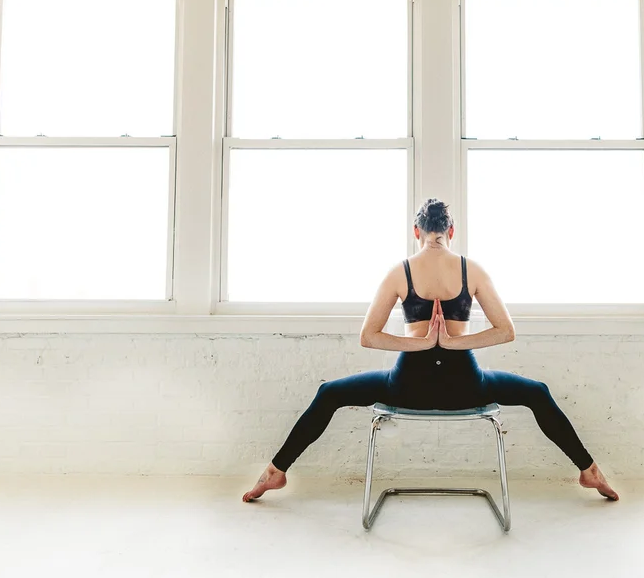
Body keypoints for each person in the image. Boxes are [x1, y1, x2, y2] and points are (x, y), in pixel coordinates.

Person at [243, 198, 618, 502]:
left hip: (406, 387)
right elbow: (506, 331)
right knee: (537, 392)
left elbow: (368, 336)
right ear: (451, 231)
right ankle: (589, 470)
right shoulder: (473, 270)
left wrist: (420, 343)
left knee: (330, 393)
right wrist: (453, 343)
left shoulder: (400, 271)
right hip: (467, 387)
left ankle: (276, 472)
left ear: (417, 231)